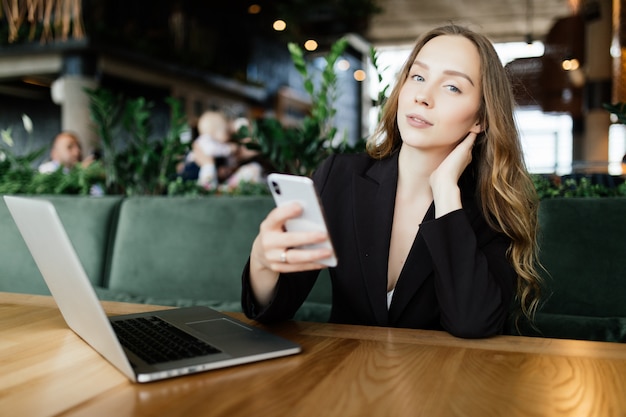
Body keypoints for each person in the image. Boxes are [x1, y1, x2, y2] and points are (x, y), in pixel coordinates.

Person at [240, 24, 542, 338]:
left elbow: (473, 323)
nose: (423, 97)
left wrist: (446, 193)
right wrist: (263, 261)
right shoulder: (340, 176)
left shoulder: (490, 207)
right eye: (418, 77)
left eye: (452, 87)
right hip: (345, 377)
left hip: (445, 382)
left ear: (481, 117)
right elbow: (274, 310)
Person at [185, 110, 235, 189]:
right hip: (194, 167)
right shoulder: (206, 140)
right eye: (226, 132)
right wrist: (228, 149)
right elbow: (212, 150)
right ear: (215, 132)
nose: (229, 136)